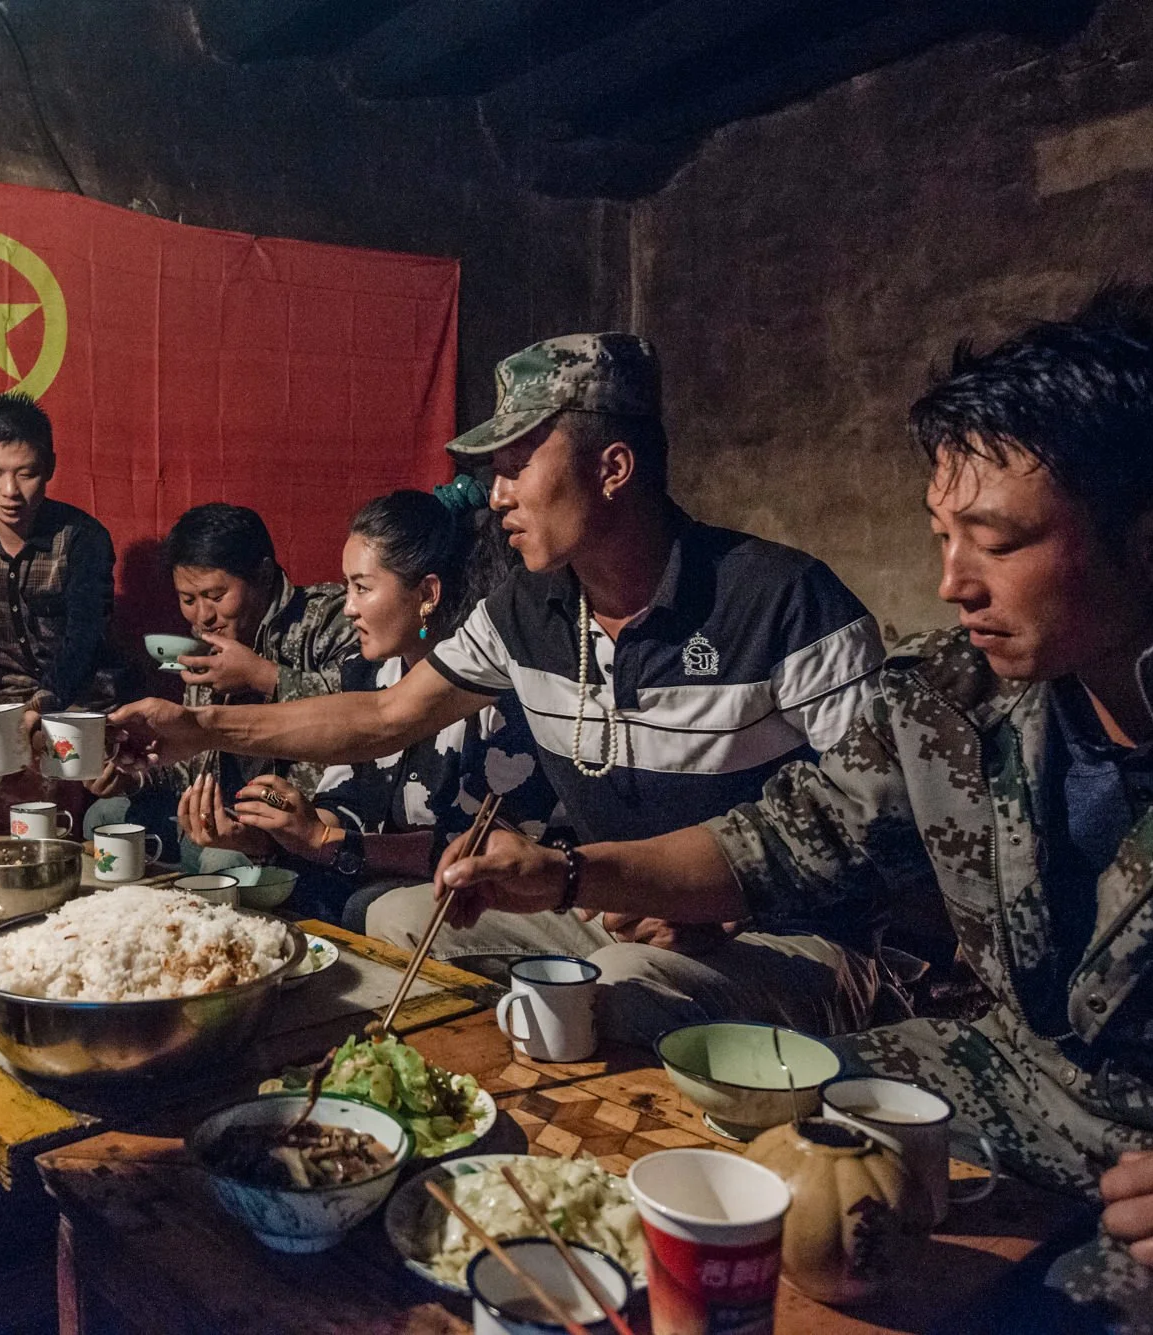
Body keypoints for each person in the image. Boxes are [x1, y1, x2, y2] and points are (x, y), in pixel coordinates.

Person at [424, 288, 1153, 1331]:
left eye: (994, 540)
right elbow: (776, 842)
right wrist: (561, 875)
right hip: (1017, 1085)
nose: (949, 581)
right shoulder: (956, 694)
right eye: (939, 535)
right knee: (711, 1180)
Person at [110, 333, 887, 1043]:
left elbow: (878, 825)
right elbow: (385, 714)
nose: (496, 495)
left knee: (616, 990)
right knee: (399, 917)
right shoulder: (530, 608)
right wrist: (202, 728)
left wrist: (720, 899)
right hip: (612, 908)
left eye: (517, 465)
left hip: (786, 931)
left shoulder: (784, 602)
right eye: (494, 473)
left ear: (613, 468)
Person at [182, 482, 569, 930]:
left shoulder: (493, 692)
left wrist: (328, 842)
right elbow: (340, 804)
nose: (348, 608)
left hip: (468, 888)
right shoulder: (366, 674)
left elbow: (487, 845)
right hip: (364, 871)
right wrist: (272, 829)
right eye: (347, 587)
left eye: (362, 588)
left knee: (366, 907)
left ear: (428, 593)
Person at [87, 501, 357, 871]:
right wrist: (132, 773)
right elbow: (192, 767)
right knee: (106, 816)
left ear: (262, 575)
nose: (203, 616)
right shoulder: (204, 639)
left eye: (216, 596)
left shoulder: (330, 617)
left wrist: (261, 676)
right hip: (214, 814)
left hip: (293, 829)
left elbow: (364, 711)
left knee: (220, 859)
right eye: (188, 600)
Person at [0, 390, 120, 717]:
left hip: (91, 700)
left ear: (50, 467)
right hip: (9, 701)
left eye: (26, 474)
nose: (10, 491)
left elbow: (85, 638)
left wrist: (40, 710)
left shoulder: (83, 538)